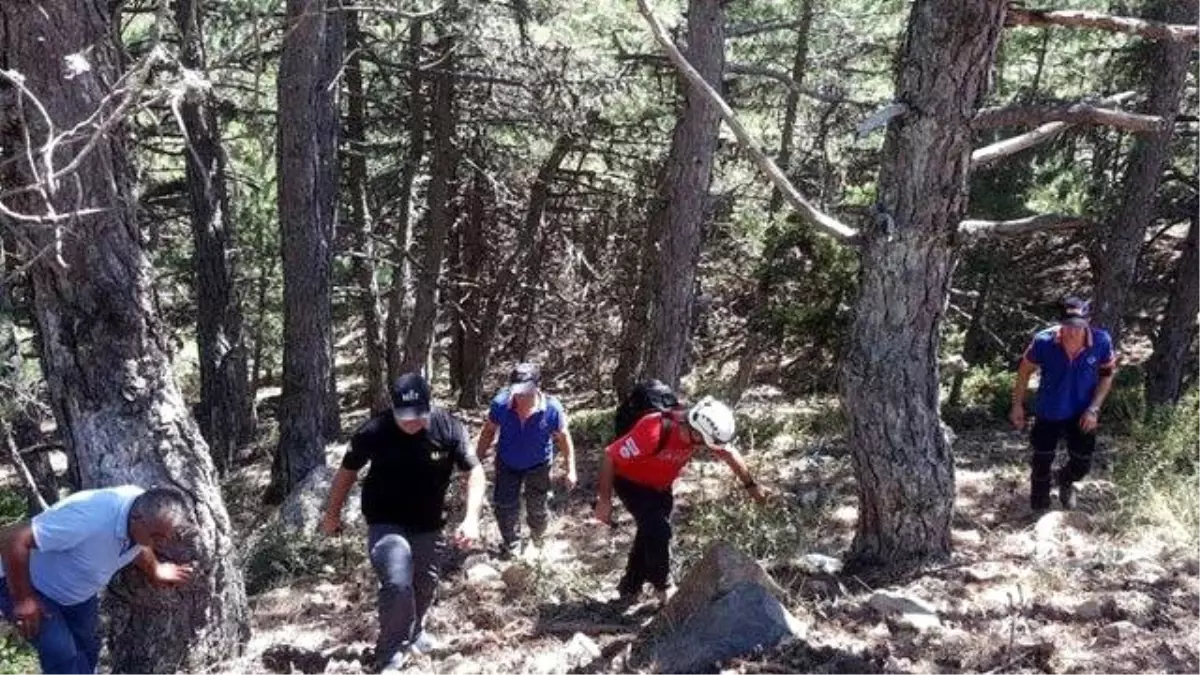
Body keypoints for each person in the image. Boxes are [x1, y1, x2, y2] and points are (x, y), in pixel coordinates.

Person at [321, 372, 485, 674]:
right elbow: (346, 473)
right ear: (393, 407)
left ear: (429, 405)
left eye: (418, 415)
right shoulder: (374, 431)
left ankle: (415, 632)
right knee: (397, 582)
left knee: (424, 584)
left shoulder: (449, 428)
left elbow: (474, 472)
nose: (412, 422)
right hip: (386, 522)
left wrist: (472, 518)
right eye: (404, 416)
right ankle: (390, 651)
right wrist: (332, 515)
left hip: (429, 523)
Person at [0, 486, 195, 675]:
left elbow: (138, 542)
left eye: (168, 537)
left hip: (77, 592)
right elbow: (13, 538)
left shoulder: (148, 513)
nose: (162, 544)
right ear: (136, 519)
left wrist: (155, 569)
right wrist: (23, 599)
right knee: (62, 656)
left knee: (88, 648)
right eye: (157, 537)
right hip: (28, 584)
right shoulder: (88, 519)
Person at [593, 395, 766, 604]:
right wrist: (604, 501)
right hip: (631, 483)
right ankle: (663, 587)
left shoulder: (701, 431)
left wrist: (751, 485)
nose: (705, 447)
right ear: (695, 431)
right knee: (659, 530)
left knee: (649, 532)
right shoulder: (653, 429)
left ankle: (630, 587)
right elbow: (610, 456)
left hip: (661, 487)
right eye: (703, 441)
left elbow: (728, 453)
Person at [1010, 296, 1117, 512]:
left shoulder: (1101, 341)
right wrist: (1017, 405)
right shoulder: (1043, 341)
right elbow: (1024, 372)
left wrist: (1094, 408)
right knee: (1041, 464)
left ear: (1087, 322)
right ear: (1060, 322)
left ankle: (1064, 480)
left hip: (1083, 412)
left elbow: (1107, 375)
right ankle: (1039, 511)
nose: (1073, 331)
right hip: (1049, 410)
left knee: (1081, 464)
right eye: (1068, 325)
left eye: (1078, 326)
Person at [475, 363, 577, 559]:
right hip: (507, 462)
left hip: (538, 464)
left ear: (538, 387)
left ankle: (538, 542)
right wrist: (475, 460)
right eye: (517, 391)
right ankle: (511, 545)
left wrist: (570, 469)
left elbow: (564, 438)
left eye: (526, 391)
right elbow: (488, 432)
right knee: (504, 506)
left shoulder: (552, 409)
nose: (521, 397)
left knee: (537, 507)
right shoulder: (501, 404)